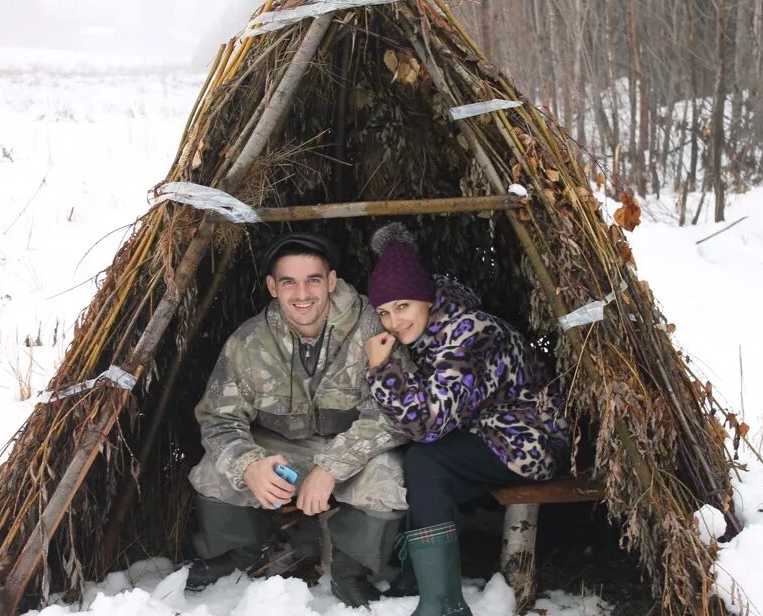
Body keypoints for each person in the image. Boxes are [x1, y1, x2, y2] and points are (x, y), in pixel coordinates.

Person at [187, 232, 408, 606]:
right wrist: (250, 465)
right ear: (273, 286)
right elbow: (218, 419)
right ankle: (237, 557)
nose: (302, 294)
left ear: (332, 281)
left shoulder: (375, 326)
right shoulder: (249, 341)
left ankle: (350, 572)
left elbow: (393, 414)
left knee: (388, 478)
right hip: (281, 450)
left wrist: (330, 467)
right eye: (289, 281)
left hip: (353, 448)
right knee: (213, 470)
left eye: (313, 280)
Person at [363, 223, 570, 616]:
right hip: (489, 431)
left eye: (403, 306)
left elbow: (427, 423)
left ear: (426, 300)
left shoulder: (469, 334)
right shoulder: (434, 329)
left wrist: (381, 371)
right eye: (385, 312)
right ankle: (417, 575)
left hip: (528, 440)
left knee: (425, 458)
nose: (394, 322)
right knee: (414, 454)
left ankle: (443, 603)